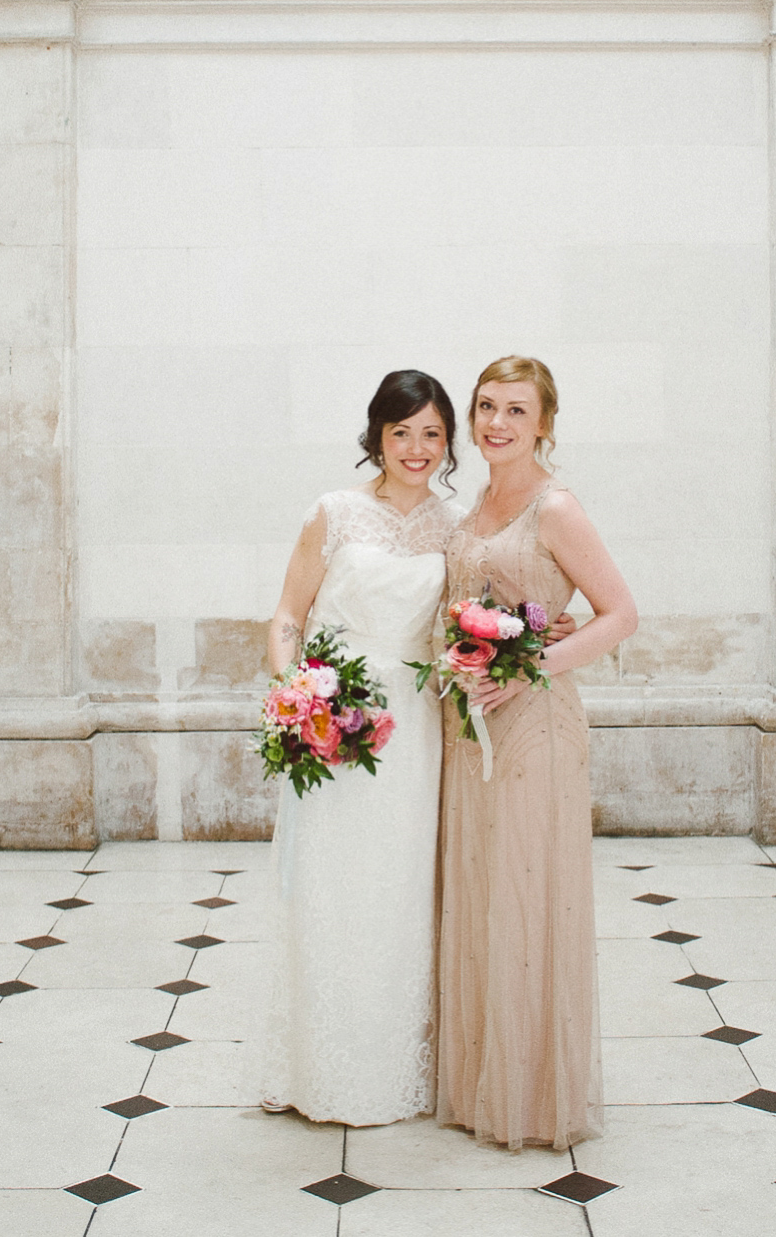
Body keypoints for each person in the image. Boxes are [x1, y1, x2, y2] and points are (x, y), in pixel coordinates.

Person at [436, 355, 638, 1152]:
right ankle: (479, 1078)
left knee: (528, 891)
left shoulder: (557, 508)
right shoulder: (473, 503)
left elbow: (620, 614)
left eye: (517, 411)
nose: (497, 424)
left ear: (545, 423)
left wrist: (527, 668)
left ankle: (532, 1093)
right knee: (482, 888)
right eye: (487, 407)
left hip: (537, 727)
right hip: (470, 726)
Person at [259, 369, 462, 1125]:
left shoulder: (454, 527)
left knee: (401, 886)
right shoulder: (334, 513)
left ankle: (390, 1065)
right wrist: (299, 693)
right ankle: (318, 1066)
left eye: (432, 433)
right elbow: (286, 615)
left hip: (413, 729)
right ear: (376, 434)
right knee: (328, 882)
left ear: (449, 443)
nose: (417, 448)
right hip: (334, 717)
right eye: (402, 431)